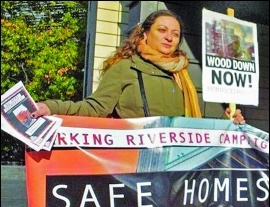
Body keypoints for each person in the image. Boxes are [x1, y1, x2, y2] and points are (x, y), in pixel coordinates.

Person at [31, 9, 245, 124]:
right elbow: (93, 109)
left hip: (178, 168)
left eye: (175, 34)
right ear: (145, 33)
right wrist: (52, 107)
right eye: (162, 30)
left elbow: (193, 126)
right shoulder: (125, 68)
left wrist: (225, 121)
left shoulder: (183, 75)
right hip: (137, 165)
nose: (169, 37)